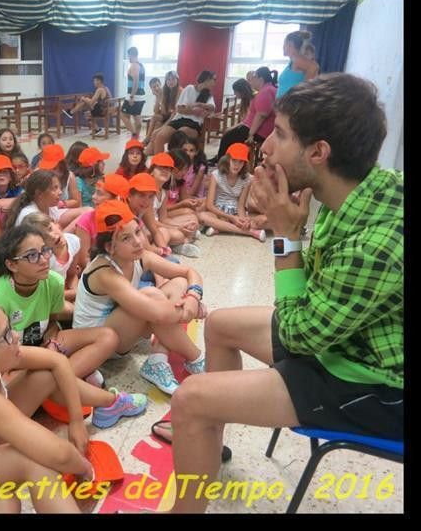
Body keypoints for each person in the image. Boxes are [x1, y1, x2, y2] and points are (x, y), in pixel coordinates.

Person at [169, 73, 403, 513]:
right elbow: (315, 300)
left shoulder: (377, 245)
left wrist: (285, 239)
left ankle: (194, 454)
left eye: (280, 134)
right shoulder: (360, 187)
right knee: (219, 325)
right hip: (341, 336)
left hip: (374, 383)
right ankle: (206, 448)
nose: (267, 147)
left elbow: (298, 337)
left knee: (189, 400)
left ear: (319, 152)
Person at [0, 302, 145, 512]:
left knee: (44, 375)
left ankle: (110, 403)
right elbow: (59, 454)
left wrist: (75, 420)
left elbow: (58, 360)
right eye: (6, 336)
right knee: (33, 459)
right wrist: (85, 467)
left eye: (10, 328)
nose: (16, 337)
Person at [72, 200, 207, 395]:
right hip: (100, 344)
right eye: (126, 238)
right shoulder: (104, 272)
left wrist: (193, 296)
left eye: (138, 231)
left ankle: (158, 359)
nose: (138, 241)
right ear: (110, 247)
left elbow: (188, 272)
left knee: (178, 283)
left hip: (123, 328)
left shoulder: (141, 256)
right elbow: (158, 314)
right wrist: (189, 312)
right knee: (152, 295)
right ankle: (196, 359)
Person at [0, 225, 123, 387]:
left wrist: (51, 343)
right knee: (4, 385)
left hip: (44, 346)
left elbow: (52, 320)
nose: (43, 260)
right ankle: (62, 381)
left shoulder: (53, 281)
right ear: (12, 265)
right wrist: (42, 360)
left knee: (108, 337)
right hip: (13, 358)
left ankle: (54, 382)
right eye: (32, 256)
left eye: (45, 251)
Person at [199, 143, 267, 241]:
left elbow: (240, 205)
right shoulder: (216, 175)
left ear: (244, 164)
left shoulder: (247, 178)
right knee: (202, 216)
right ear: (227, 160)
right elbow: (209, 205)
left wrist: (243, 220)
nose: (237, 165)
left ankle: (220, 228)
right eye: (234, 160)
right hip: (218, 213)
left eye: (241, 162)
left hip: (235, 212)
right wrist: (230, 218)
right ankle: (250, 233)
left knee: (261, 220)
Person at [210, 68, 278, 164]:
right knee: (229, 134)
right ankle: (224, 160)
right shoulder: (267, 89)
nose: (252, 81)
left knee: (228, 137)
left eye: (254, 77)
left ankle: (222, 162)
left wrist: (251, 134)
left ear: (261, 79)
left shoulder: (266, 91)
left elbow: (262, 115)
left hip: (259, 131)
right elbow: (251, 117)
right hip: (253, 127)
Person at [146, 70, 217, 156]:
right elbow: (180, 109)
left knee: (179, 135)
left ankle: (178, 163)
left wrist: (199, 104)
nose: (215, 83)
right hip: (179, 119)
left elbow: (212, 107)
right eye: (214, 80)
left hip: (194, 123)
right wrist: (195, 110)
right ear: (207, 80)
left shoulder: (208, 95)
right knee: (159, 136)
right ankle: (159, 164)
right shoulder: (189, 88)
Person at [276, 30, 319, 99]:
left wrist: (304, 91)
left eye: (285, 44)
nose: (283, 47)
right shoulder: (293, 61)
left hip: (292, 105)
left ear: (290, 44)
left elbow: (314, 67)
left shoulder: (296, 58)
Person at [120, 47, 147, 139]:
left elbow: (136, 81)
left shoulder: (134, 65)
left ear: (132, 55)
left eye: (128, 56)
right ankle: (136, 138)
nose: (128, 58)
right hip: (140, 96)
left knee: (123, 115)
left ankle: (134, 134)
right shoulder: (141, 65)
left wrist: (131, 96)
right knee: (136, 117)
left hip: (134, 96)